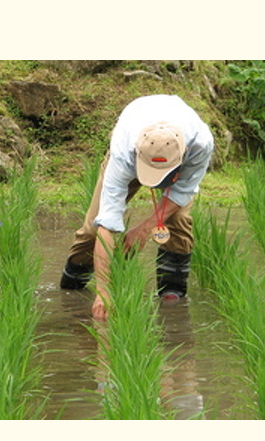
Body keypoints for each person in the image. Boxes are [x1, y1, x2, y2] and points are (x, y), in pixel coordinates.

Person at [60, 94, 214, 321]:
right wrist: (103, 291)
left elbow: (182, 192)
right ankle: (72, 287)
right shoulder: (124, 150)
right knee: (92, 230)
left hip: (177, 160)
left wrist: (144, 229)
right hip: (132, 151)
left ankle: (172, 296)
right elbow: (108, 220)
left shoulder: (200, 143)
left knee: (178, 219)